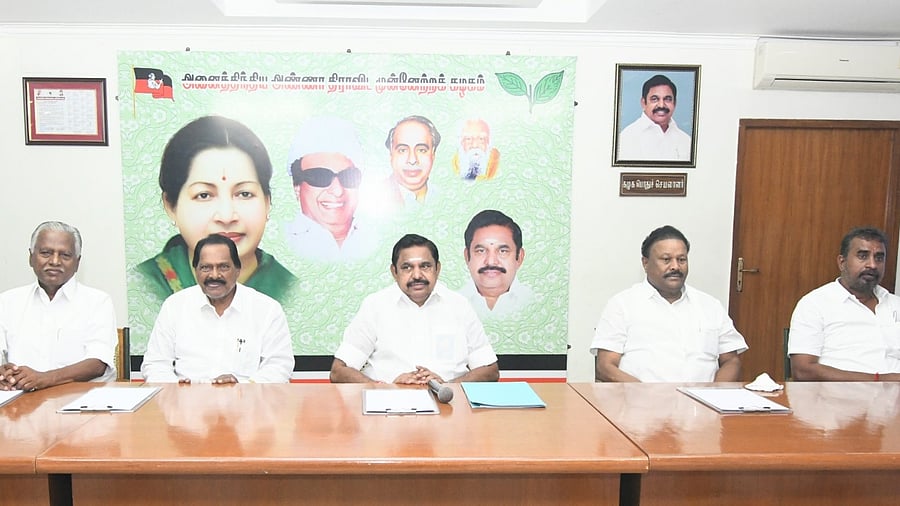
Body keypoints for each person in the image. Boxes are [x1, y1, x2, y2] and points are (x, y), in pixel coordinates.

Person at [135, 115, 295, 303]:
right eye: (204, 195)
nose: (226, 216)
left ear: (267, 203)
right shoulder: (144, 284)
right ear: (171, 206)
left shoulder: (289, 288)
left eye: (244, 194)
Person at [330, 233, 499, 384]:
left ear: (437, 269)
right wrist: (386, 388)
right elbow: (339, 371)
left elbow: (490, 370)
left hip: (448, 402)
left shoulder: (459, 305)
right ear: (394, 272)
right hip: (388, 404)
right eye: (407, 267)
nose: (417, 275)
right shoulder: (375, 305)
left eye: (425, 266)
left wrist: (447, 386)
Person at [591, 225, 747, 382]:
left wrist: (715, 392)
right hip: (640, 396)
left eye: (681, 260)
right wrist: (643, 392)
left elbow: (731, 360)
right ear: (645, 263)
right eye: (666, 260)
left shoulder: (710, 306)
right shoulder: (622, 305)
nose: (675, 266)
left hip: (700, 397)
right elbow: (605, 366)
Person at [141, 234, 294, 383]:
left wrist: (242, 386)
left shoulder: (267, 309)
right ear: (195, 270)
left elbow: (279, 366)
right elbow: (155, 364)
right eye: (205, 267)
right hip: (187, 398)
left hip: (246, 398)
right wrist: (176, 387)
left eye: (223, 267)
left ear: (237, 270)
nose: (214, 275)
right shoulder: (175, 306)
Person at [0, 221, 116, 391]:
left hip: (80, 400)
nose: (54, 261)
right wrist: (5, 374)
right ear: (31, 257)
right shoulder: (7, 301)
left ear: (77, 262)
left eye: (65, 255)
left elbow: (98, 363)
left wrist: (43, 378)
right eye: (46, 253)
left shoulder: (98, 302)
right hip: (20, 401)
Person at [789, 227, 900, 381]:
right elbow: (803, 371)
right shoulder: (815, 304)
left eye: (879, 258)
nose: (872, 265)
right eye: (863, 256)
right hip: (840, 393)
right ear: (842, 262)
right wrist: (878, 380)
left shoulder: (895, 304)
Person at [284, 116, 376, 260]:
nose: (337, 191)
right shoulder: (283, 243)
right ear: (297, 187)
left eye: (348, 177)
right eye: (320, 177)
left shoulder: (377, 240)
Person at [458, 209, 534, 318]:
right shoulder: (452, 303)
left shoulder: (533, 300)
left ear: (519, 257)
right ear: (467, 256)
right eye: (481, 251)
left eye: (503, 251)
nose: (491, 261)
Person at [617, 74, 692, 162]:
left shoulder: (686, 141)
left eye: (667, 99)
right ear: (643, 103)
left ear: (674, 103)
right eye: (655, 99)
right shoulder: (627, 139)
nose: (661, 105)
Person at [383, 115, 441, 205]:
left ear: (433, 154)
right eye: (402, 150)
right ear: (391, 154)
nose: (412, 160)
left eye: (421, 150)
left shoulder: (444, 196)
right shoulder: (375, 197)